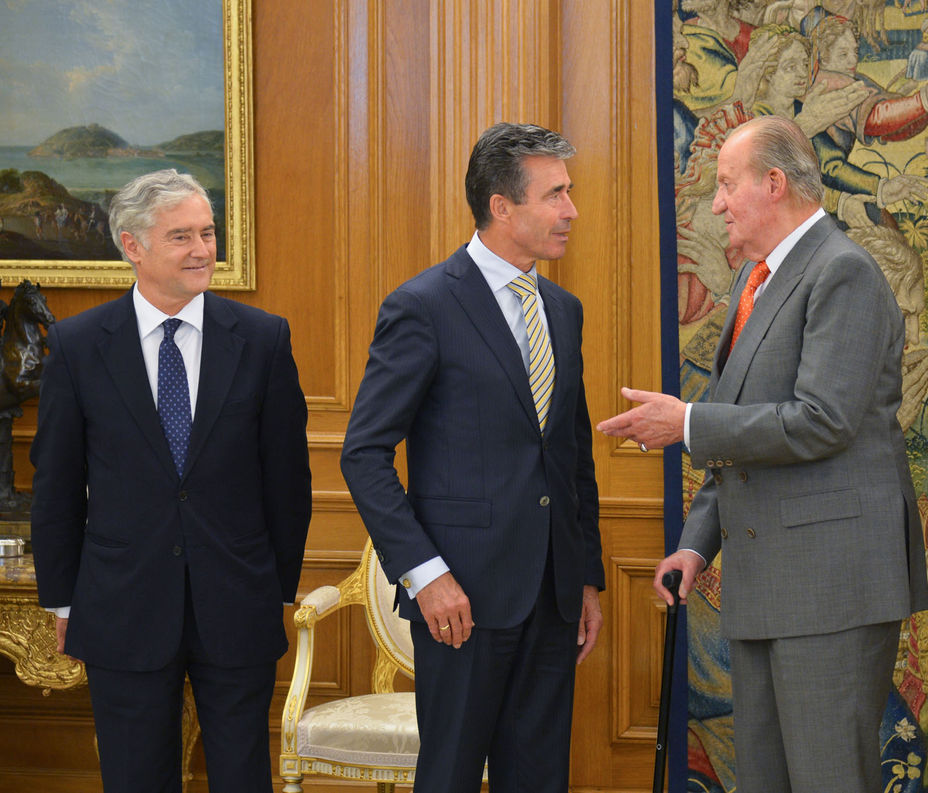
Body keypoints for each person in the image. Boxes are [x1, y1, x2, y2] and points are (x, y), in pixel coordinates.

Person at [597, 114, 928, 793]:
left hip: (830, 592)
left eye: (726, 185)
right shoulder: (757, 279)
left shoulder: (844, 273)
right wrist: (695, 545)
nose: (715, 204)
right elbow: (743, 438)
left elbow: (820, 422)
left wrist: (687, 421)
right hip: (768, 588)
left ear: (775, 184)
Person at [340, 122, 604, 793]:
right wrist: (426, 576)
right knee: (450, 777)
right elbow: (365, 453)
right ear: (502, 206)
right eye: (557, 195)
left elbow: (571, 456)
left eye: (568, 193)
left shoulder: (565, 311)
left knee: (540, 779)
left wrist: (588, 575)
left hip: (552, 597)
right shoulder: (422, 306)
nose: (572, 210)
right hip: (460, 600)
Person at [30, 168, 311, 793]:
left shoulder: (263, 340)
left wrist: (279, 589)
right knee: (135, 777)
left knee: (242, 774)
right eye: (181, 236)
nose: (203, 250)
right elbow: (56, 484)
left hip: (238, 602)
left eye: (208, 233)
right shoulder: (78, 346)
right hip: (120, 604)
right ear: (133, 246)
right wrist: (63, 599)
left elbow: (287, 481)